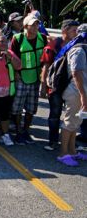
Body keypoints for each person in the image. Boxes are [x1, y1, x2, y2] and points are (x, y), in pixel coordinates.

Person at [10, 15, 48, 145]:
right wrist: (15, 73)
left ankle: (26, 131)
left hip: (36, 77)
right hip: (21, 77)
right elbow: (12, 57)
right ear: (26, 26)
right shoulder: (18, 39)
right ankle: (18, 131)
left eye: (37, 24)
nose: (36, 27)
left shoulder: (42, 38)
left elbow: (47, 58)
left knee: (32, 107)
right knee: (17, 107)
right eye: (33, 25)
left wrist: (44, 77)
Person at [43, 20, 80, 151]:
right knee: (55, 114)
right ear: (64, 31)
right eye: (73, 30)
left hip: (71, 85)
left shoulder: (78, 44)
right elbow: (47, 66)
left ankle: (71, 143)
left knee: (72, 115)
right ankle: (52, 141)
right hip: (56, 85)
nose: (76, 33)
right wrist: (43, 86)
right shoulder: (55, 44)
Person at [57, 25, 87, 166]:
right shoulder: (79, 50)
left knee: (76, 123)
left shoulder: (83, 48)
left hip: (80, 92)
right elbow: (76, 73)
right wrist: (83, 96)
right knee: (69, 122)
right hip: (76, 92)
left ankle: (72, 151)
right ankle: (63, 154)